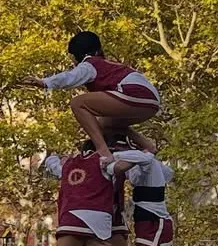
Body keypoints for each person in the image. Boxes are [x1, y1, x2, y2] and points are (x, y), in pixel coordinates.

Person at [20, 31, 161, 162]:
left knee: (78, 103)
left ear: (77, 56)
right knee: (105, 124)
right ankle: (148, 146)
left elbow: (71, 77)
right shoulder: (107, 64)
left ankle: (103, 152)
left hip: (135, 94)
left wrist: (45, 82)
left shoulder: (90, 64)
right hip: (150, 101)